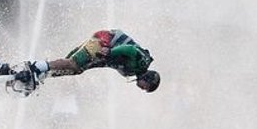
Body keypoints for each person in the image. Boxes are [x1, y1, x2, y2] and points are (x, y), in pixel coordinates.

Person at [11, 29, 160, 96]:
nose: (142, 89)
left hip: (101, 53)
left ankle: (38, 76)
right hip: (104, 41)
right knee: (74, 64)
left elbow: (106, 63)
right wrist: (110, 50)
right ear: (148, 79)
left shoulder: (132, 72)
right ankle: (36, 67)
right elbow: (130, 49)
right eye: (146, 87)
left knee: (75, 69)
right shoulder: (143, 63)